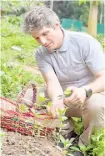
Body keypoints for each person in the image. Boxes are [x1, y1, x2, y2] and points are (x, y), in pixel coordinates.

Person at [23, 6, 105, 156]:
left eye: (45, 34)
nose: (42, 41)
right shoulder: (41, 54)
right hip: (65, 97)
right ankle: (66, 130)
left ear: (57, 25)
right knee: (28, 97)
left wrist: (85, 90)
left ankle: (84, 145)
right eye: (36, 38)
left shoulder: (85, 43)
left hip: (90, 95)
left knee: (96, 105)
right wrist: (57, 99)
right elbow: (52, 82)